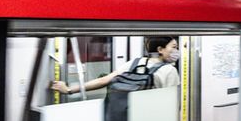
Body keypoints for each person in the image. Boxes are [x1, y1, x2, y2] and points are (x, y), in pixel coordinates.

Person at [50, 36, 180, 96]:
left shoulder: (135, 62)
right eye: (174, 47)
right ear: (160, 49)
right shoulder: (170, 71)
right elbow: (172, 104)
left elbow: (103, 80)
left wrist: (69, 90)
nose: (177, 51)